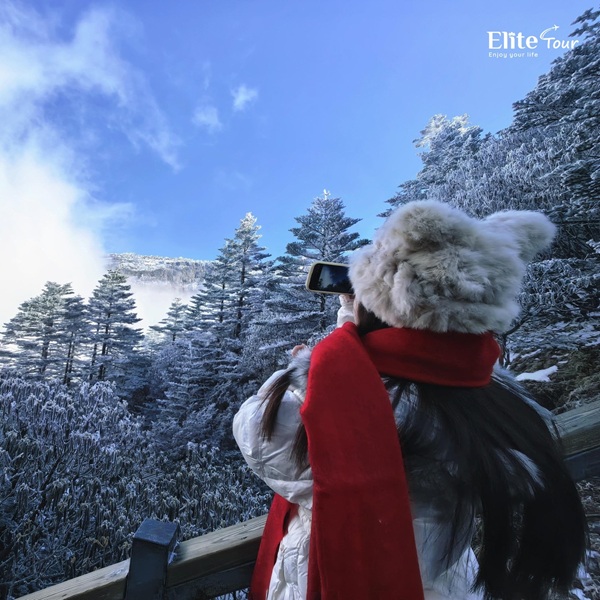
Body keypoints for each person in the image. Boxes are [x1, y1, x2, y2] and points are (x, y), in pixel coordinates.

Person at [233, 200, 587, 600]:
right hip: (446, 580)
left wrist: (309, 364)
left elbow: (255, 432)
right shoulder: (492, 394)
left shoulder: (331, 394)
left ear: (381, 304)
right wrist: (353, 330)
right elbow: (405, 365)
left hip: (330, 576)